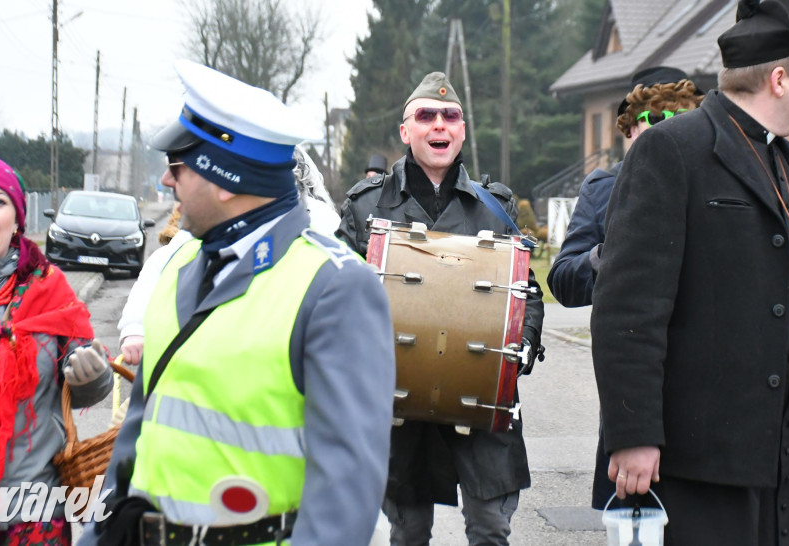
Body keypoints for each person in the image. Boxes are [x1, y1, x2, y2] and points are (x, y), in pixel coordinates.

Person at [82, 61, 395, 546]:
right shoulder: (176, 271)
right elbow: (136, 439)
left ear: (225, 180)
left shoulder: (335, 287)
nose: (168, 183)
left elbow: (343, 503)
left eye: (179, 168)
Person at [590, 0, 789, 545]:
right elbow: (628, 308)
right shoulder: (672, 150)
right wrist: (632, 433)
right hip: (704, 462)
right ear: (779, 80)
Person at [337, 71, 545, 546]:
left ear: (463, 130)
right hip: (398, 404)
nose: (439, 125)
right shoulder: (367, 206)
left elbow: (527, 292)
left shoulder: (495, 205)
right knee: (409, 533)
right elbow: (335, 293)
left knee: (491, 531)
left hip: (478, 390)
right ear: (405, 130)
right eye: (426, 115)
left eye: (450, 116)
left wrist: (523, 345)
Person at [0, 155, 112, 542]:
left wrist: (93, 375)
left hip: (34, 508)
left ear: (18, 219)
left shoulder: (49, 290)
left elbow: (87, 385)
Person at [115, 145, 341, 366]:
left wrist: (136, 329)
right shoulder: (206, 230)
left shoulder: (318, 224)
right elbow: (160, 266)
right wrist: (135, 327)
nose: (168, 180)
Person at [547, 66, 701, 309]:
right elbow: (564, 283)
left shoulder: (716, 181)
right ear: (630, 127)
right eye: (655, 118)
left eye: (680, 116)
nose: (669, 127)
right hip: (631, 338)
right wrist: (614, 252)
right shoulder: (602, 187)